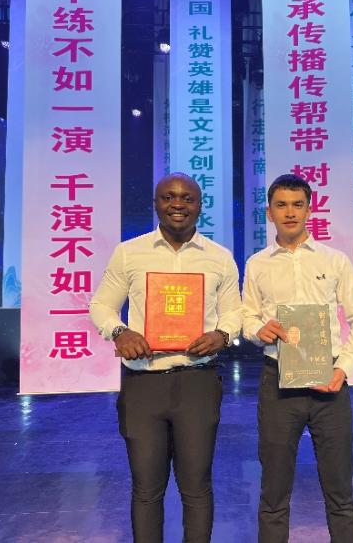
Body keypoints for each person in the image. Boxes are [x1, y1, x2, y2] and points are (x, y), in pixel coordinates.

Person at [89, 173, 242, 543]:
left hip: (197, 382)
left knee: (197, 487)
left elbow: (234, 313)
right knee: (146, 488)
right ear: (155, 203)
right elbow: (101, 306)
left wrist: (221, 335)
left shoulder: (220, 258)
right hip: (143, 384)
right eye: (168, 197)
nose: (178, 204)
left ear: (200, 206)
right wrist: (120, 332)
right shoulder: (129, 252)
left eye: (187, 198)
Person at [242, 174, 353, 543]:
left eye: (297, 205)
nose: (290, 212)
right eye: (281, 205)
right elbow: (246, 316)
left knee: (340, 491)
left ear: (309, 210)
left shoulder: (335, 260)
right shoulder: (257, 264)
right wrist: (257, 330)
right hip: (278, 382)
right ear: (269, 213)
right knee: (273, 491)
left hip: (329, 383)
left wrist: (343, 368)